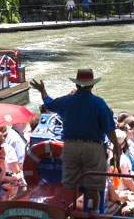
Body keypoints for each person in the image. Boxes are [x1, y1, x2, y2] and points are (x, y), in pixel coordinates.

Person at [29, 69, 120, 209]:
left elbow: (49, 103)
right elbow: (109, 128)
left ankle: (69, 215)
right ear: (92, 85)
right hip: (92, 148)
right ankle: (93, 215)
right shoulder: (99, 103)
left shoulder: (66, 101)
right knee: (93, 186)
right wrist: (117, 147)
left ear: (76, 85)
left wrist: (42, 90)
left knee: (70, 185)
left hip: (70, 146)